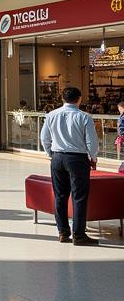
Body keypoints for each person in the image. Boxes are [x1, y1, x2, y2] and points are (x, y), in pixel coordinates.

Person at [40, 86, 100, 246]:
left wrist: (50, 154)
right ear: (79, 99)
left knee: (60, 195)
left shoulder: (51, 115)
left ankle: (62, 232)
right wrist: (93, 157)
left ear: (62, 99)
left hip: (57, 157)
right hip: (77, 159)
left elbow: (44, 138)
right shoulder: (84, 117)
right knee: (79, 196)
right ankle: (79, 234)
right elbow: (91, 142)